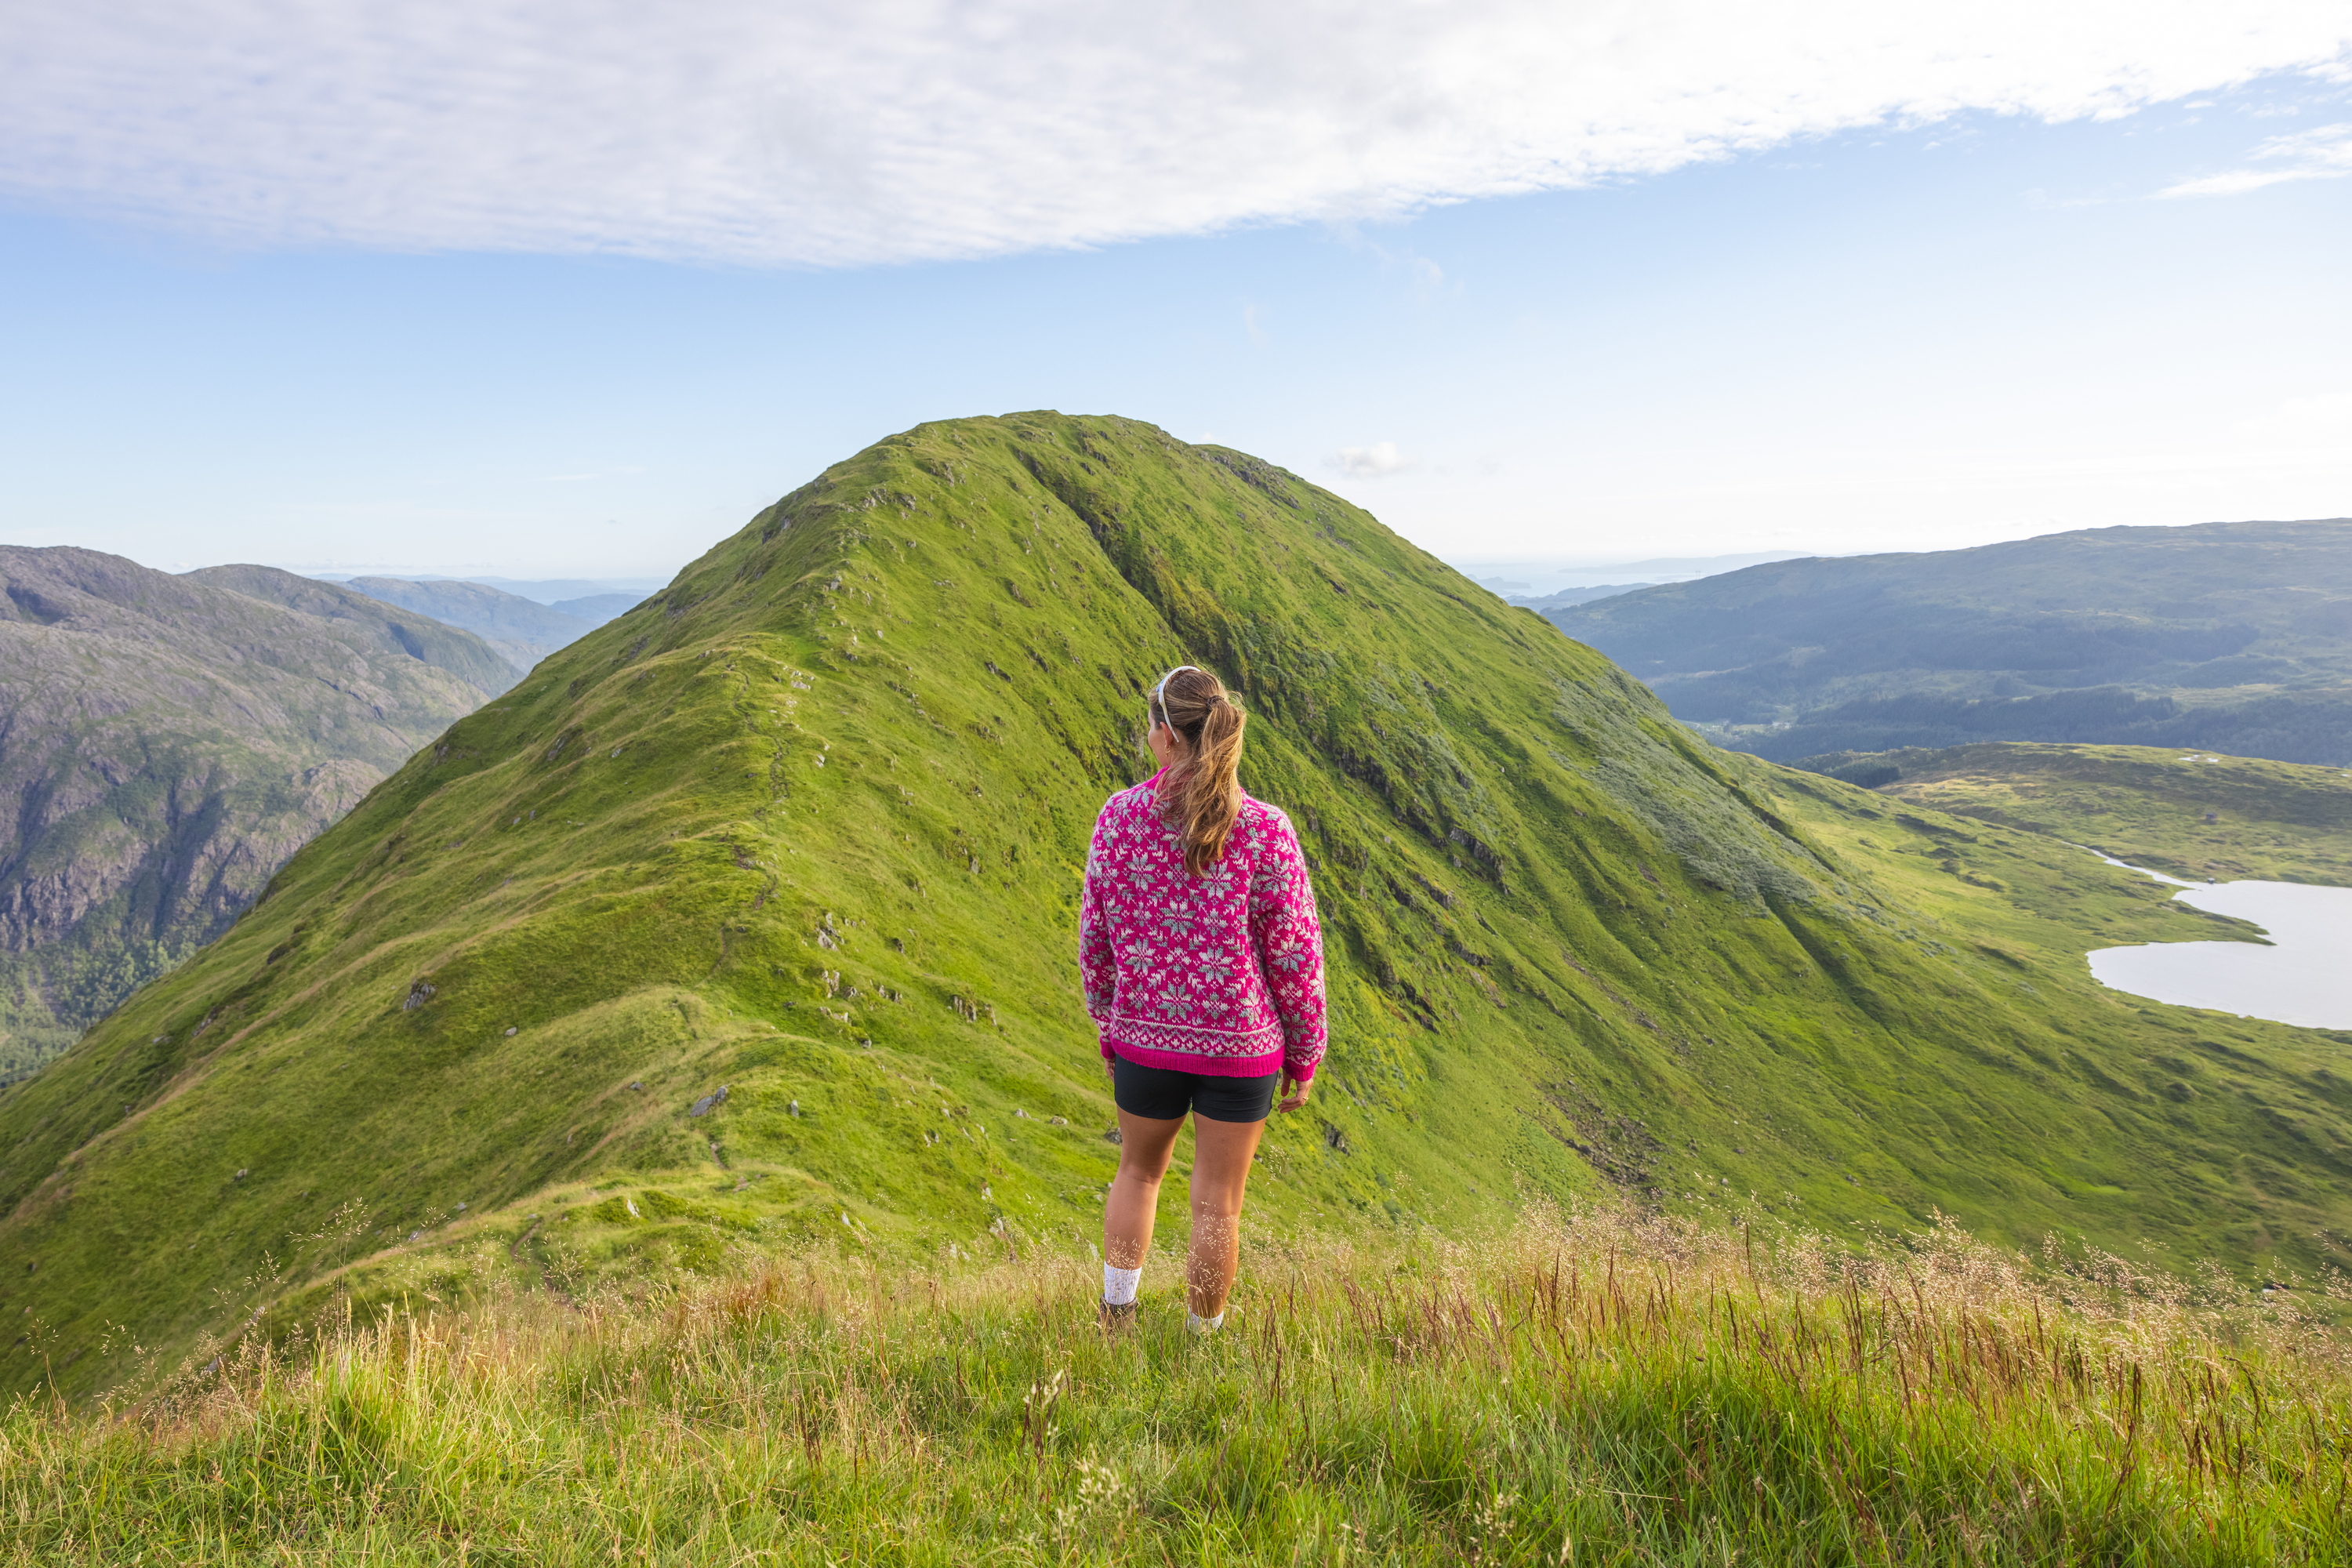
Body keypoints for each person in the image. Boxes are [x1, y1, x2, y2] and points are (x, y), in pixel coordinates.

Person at [1078, 663, 1327, 1333]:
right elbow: (1296, 953)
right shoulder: (1266, 829)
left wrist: (1110, 1024)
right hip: (1241, 1047)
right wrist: (1305, 1054)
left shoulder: (1119, 820)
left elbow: (1095, 938)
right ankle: (1199, 1345)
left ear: (1164, 736)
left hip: (1145, 1040)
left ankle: (1117, 1316)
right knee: (1219, 1207)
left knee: (1137, 1174)